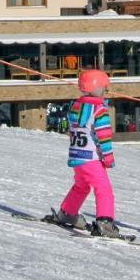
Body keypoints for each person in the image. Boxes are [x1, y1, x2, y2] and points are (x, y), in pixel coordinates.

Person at [47, 69, 119, 238]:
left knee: (82, 186)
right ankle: (105, 222)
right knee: (103, 188)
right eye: (102, 87)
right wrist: (108, 158)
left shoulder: (76, 106)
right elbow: (104, 136)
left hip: (77, 156)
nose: (105, 91)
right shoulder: (99, 110)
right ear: (94, 88)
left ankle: (68, 212)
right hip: (91, 157)